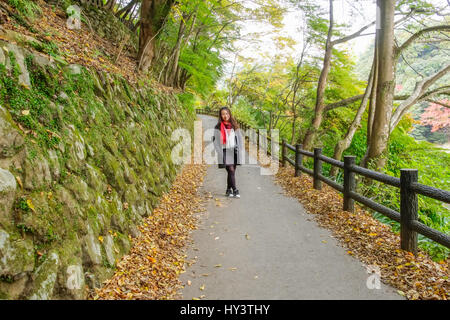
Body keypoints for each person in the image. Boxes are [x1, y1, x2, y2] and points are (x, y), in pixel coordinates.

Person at [213, 107, 244, 198]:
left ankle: (228, 189)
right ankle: (235, 189)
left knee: (232, 172)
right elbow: (215, 141)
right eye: (223, 114)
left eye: (226, 113)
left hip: (234, 151)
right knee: (230, 169)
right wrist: (219, 152)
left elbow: (240, 139)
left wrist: (240, 149)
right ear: (220, 115)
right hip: (224, 151)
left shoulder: (234, 125)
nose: (225, 116)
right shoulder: (218, 127)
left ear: (229, 114)